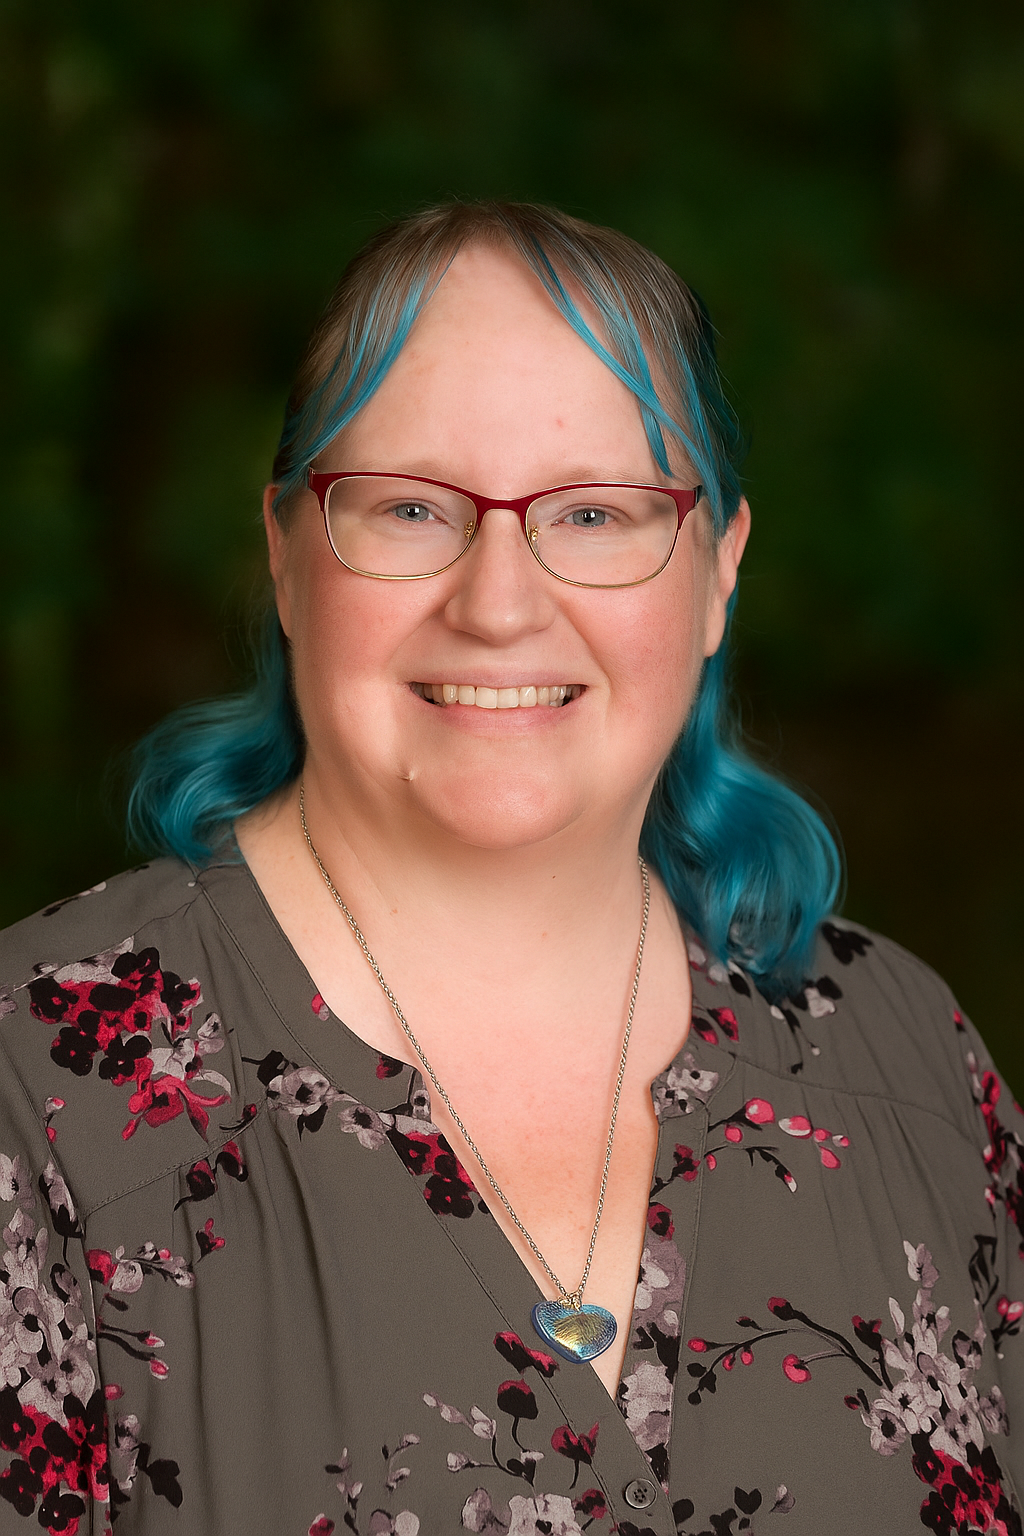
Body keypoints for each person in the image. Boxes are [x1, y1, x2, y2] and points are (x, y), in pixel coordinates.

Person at [0, 201, 1019, 1536]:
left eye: (595, 515)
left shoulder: (910, 1066)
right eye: (413, 507)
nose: (497, 602)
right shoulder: (34, 1095)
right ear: (287, 554)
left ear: (717, 574)